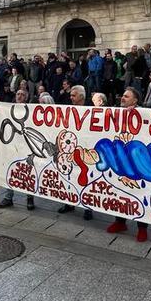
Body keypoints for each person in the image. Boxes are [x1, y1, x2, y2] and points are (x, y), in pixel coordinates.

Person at [106, 87, 149, 242]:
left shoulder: (144, 113)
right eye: (122, 96)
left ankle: (142, 227)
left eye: (126, 96)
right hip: (119, 159)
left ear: (135, 100)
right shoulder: (117, 112)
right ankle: (120, 222)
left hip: (137, 161)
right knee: (120, 192)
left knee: (140, 192)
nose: (122, 98)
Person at [56, 85, 94, 221]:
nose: (71, 98)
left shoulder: (93, 108)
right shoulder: (68, 107)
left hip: (86, 147)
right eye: (71, 95)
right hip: (70, 146)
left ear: (82, 96)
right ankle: (69, 203)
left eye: (73, 95)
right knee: (69, 176)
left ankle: (88, 207)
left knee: (85, 177)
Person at [0, 89, 36, 210]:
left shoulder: (30, 110)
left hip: (26, 146)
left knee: (28, 171)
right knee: (10, 170)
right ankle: (8, 197)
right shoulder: (8, 108)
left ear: (26, 97)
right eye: (18, 94)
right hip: (12, 146)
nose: (19, 96)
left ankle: (30, 198)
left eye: (22, 94)